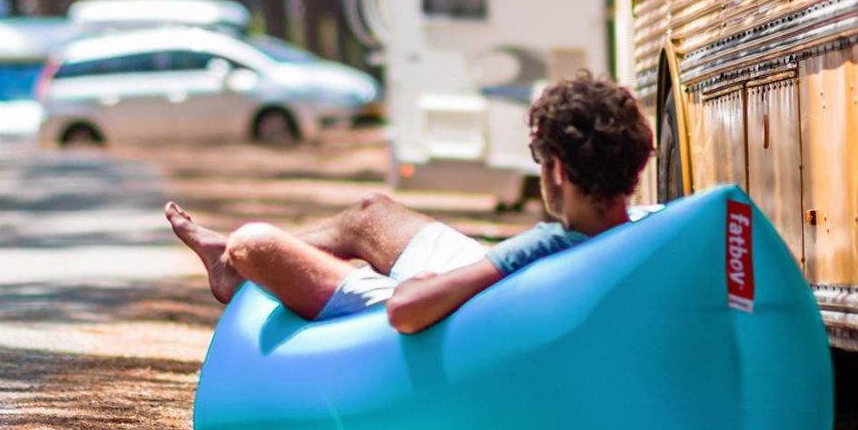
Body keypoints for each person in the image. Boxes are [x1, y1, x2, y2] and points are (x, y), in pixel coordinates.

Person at [166, 73, 654, 333]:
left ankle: (234, 260)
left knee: (255, 243)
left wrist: (426, 284)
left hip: (458, 314)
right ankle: (226, 263)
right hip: (484, 281)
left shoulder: (548, 245)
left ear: (558, 172)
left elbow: (406, 310)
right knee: (369, 214)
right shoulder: (643, 237)